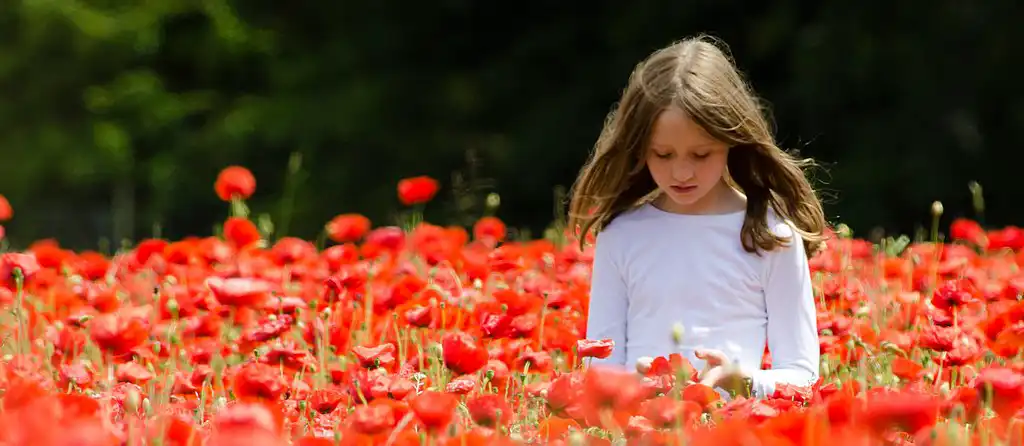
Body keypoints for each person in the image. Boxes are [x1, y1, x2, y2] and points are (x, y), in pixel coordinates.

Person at [568, 34, 825, 399]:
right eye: (663, 154)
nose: (682, 173)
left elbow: (802, 376)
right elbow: (599, 370)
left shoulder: (771, 234)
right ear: (640, 150)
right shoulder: (621, 234)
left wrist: (743, 381)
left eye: (701, 154)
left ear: (731, 139)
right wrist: (639, 386)